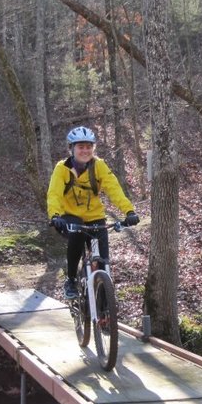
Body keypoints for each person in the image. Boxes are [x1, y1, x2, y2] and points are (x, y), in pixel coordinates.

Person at [47, 126, 139, 299]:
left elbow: (114, 189)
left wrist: (129, 211)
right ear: (71, 148)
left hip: (95, 217)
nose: (85, 150)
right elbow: (54, 194)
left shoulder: (99, 165)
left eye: (89, 146)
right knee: (76, 237)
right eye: (80, 147)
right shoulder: (62, 168)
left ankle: (104, 308)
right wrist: (55, 215)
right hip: (69, 217)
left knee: (103, 261)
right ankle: (71, 280)